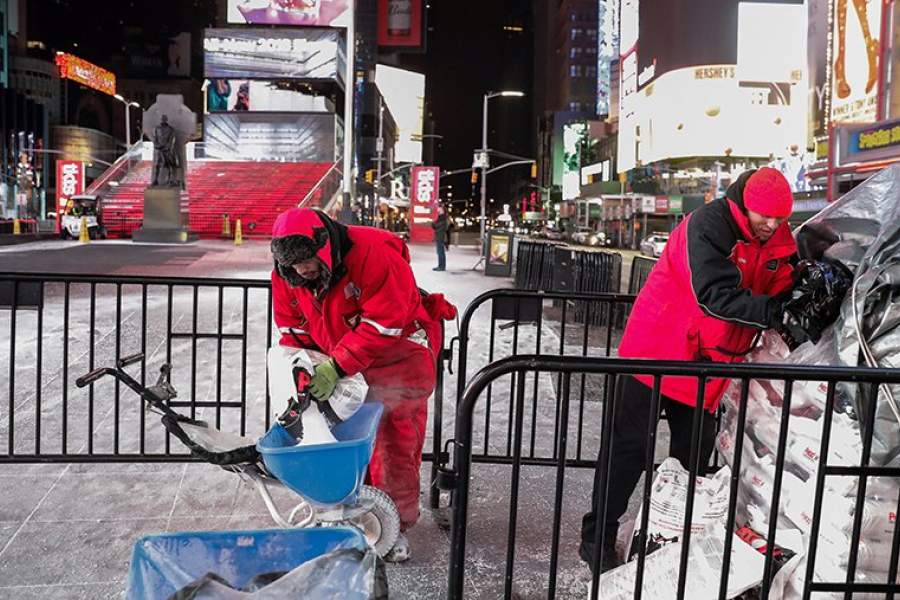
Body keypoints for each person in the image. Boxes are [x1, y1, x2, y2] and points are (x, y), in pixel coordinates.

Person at [579, 168, 798, 574]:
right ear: (745, 205)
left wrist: (800, 298)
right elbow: (713, 295)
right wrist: (778, 311)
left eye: (780, 217)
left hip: (709, 363)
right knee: (628, 450)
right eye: (764, 216)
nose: (771, 225)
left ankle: (669, 543)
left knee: (692, 461)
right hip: (656, 350)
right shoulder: (709, 224)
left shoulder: (780, 240)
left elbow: (785, 285)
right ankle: (597, 538)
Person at [269, 208, 457, 562]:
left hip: (399, 357)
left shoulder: (373, 253)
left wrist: (337, 365)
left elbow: (386, 321)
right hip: (341, 363)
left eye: (307, 261)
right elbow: (292, 328)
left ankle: (394, 527)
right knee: (342, 441)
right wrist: (307, 367)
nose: (302, 270)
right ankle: (350, 517)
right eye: (293, 266)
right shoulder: (286, 275)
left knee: (393, 442)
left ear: (324, 246)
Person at [432, 205, 448, 271]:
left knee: (441, 252)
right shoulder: (440, 217)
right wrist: (434, 224)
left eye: (439, 208)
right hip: (439, 236)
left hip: (441, 237)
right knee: (439, 252)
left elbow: (437, 226)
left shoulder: (443, 217)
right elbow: (434, 225)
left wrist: (434, 224)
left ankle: (442, 267)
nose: (438, 209)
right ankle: (440, 265)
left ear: (442, 209)